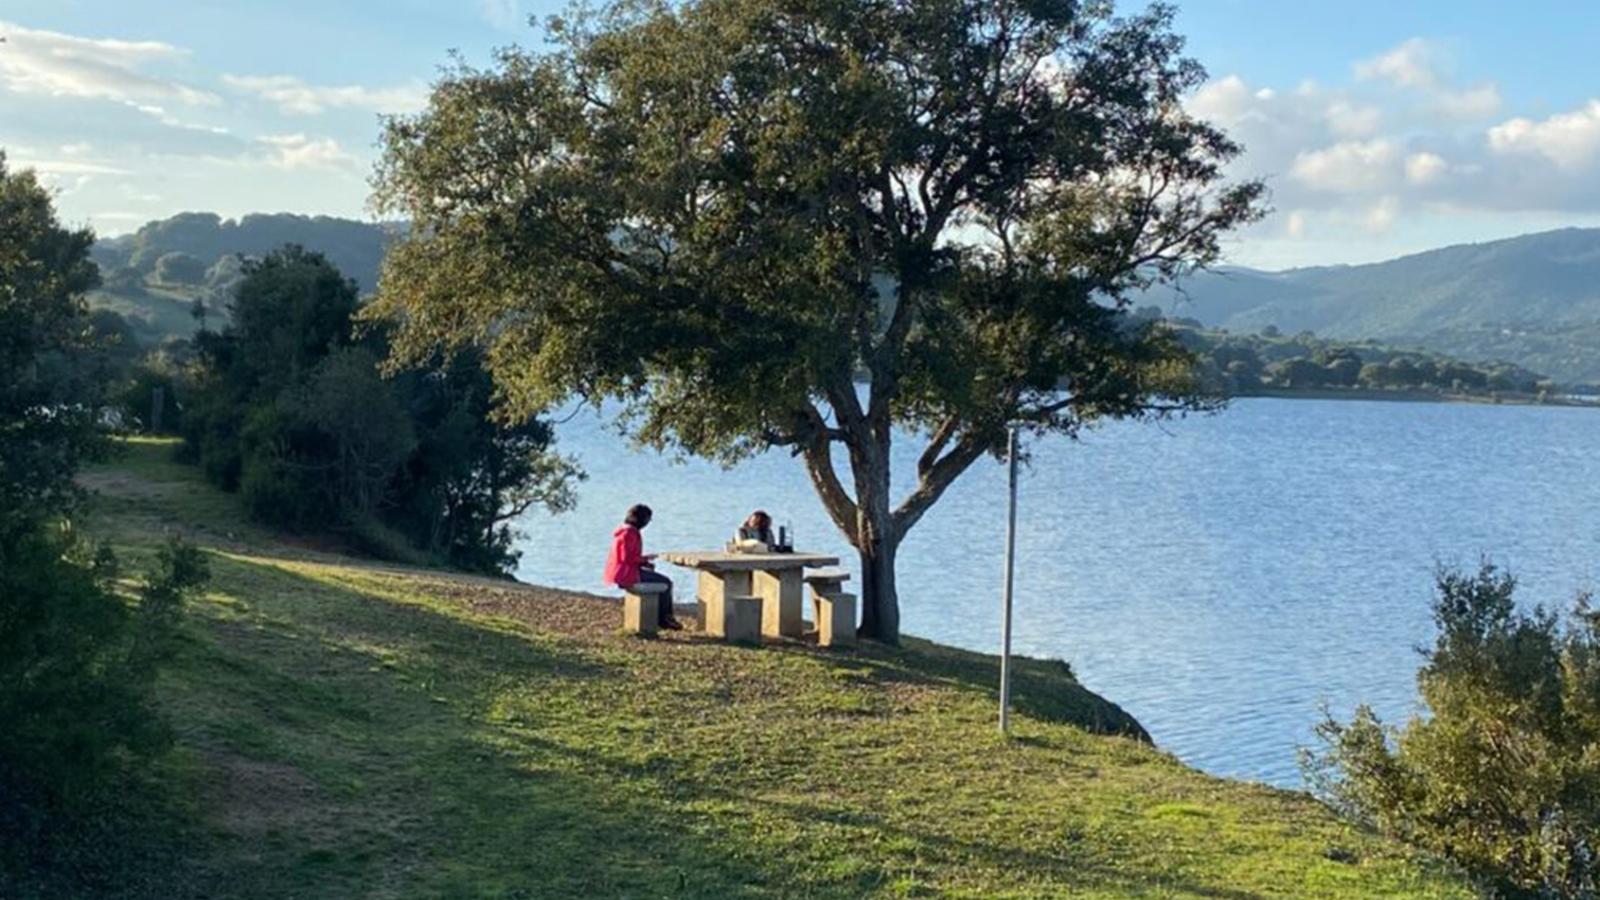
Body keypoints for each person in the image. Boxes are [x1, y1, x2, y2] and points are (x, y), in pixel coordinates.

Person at [603, 503, 682, 630]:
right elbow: (627, 558)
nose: (647, 523)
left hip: (622, 572)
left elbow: (628, 557)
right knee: (666, 583)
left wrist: (644, 563)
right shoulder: (629, 533)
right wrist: (645, 559)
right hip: (627, 574)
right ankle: (664, 618)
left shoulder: (623, 530)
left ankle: (663, 617)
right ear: (640, 519)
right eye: (647, 520)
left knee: (660, 580)